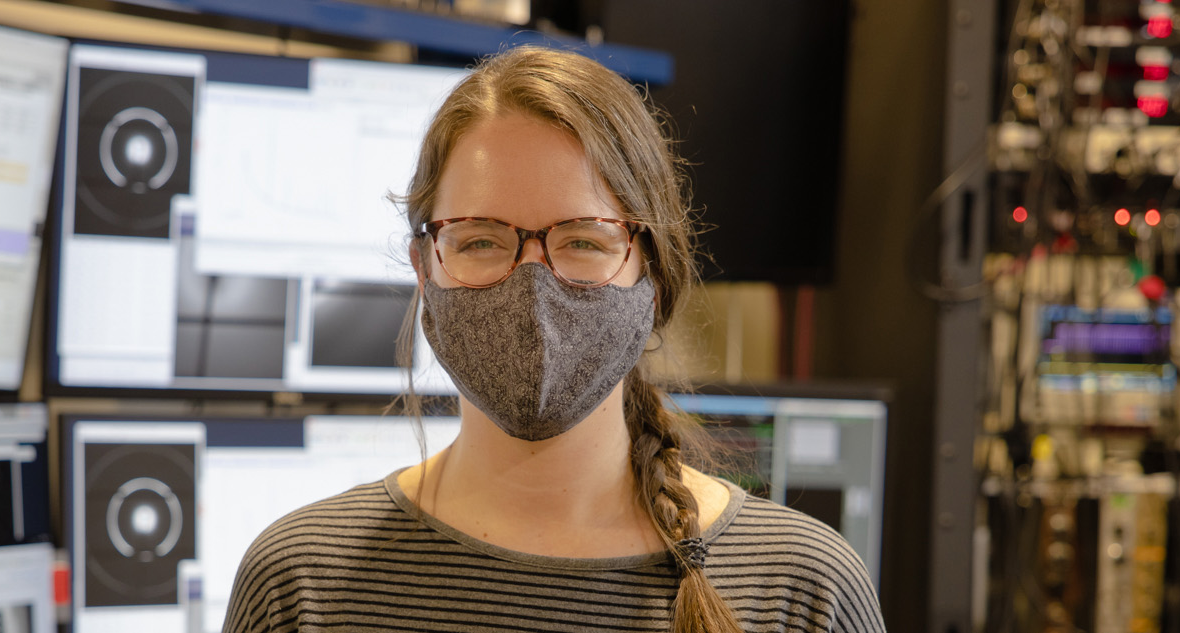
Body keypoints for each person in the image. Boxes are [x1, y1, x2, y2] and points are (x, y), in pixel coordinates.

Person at [222, 45, 884, 633]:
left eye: (583, 240)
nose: (534, 287)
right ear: (424, 267)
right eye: (480, 239)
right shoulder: (298, 582)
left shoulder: (803, 589)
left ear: (651, 269)